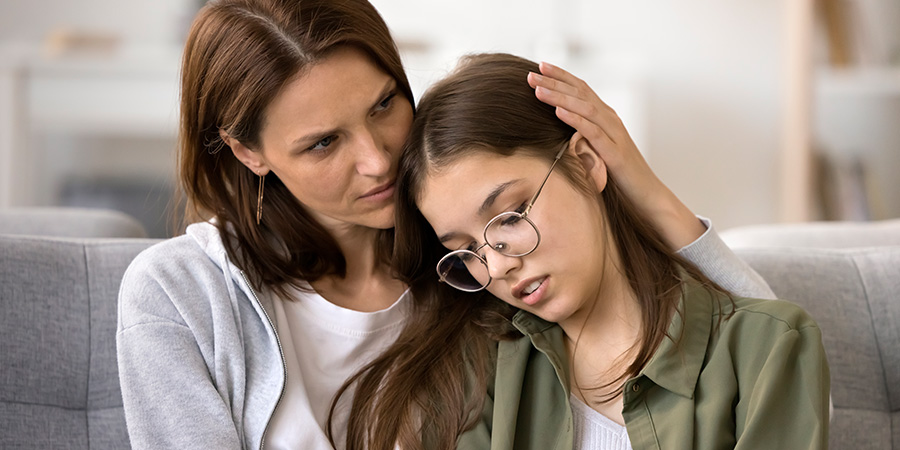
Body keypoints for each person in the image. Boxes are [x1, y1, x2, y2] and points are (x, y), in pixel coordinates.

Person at [115, 0, 775, 448]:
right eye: (323, 144)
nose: (378, 160)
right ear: (248, 153)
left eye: (384, 105)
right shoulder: (180, 294)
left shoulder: (483, 260)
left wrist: (639, 182)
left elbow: (765, 359)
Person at [391, 53, 830, 449]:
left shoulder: (768, 348)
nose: (499, 264)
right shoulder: (475, 375)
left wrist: (651, 192)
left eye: (510, 216)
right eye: (467, 250)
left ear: (584, 163)